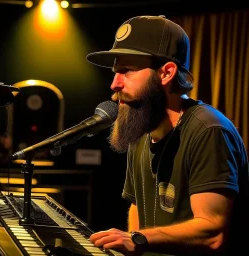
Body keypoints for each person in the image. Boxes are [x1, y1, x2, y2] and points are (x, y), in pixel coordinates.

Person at [86, 15, 249, 256]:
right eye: (114, 72)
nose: (114, 84)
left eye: (126, 71)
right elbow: (137, 206)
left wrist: (138, 239)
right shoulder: (141, 126)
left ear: (166, 73)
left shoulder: (209, 130)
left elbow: (212, 231)